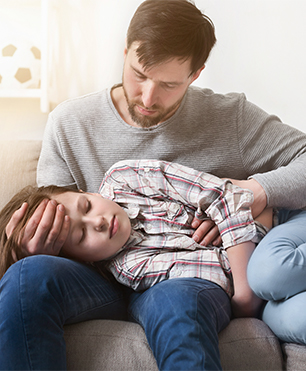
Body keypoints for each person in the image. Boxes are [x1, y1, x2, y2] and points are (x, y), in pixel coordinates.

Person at [1, 0, 306, 370]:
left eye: (168, 84)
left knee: (175, 305)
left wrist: (254, 192)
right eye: (139, 74)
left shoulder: (232, 118)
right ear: (125, 51)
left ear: (196, 75)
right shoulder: (69, 124)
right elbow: (62, 219)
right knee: (26, 278)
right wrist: (35, 251)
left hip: (184, 277)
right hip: (102, 277)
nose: (148, 98)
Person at [0, 159, 271, 315]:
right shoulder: (130, 268)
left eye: (87, 206)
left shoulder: (124, 179)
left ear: (89, 192)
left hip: (278, 224)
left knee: (280, 271)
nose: (99, 222)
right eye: (82, 235)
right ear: (84, 261)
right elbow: (220, 273)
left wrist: (245, 296)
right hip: (264, 258)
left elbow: (222, 195)